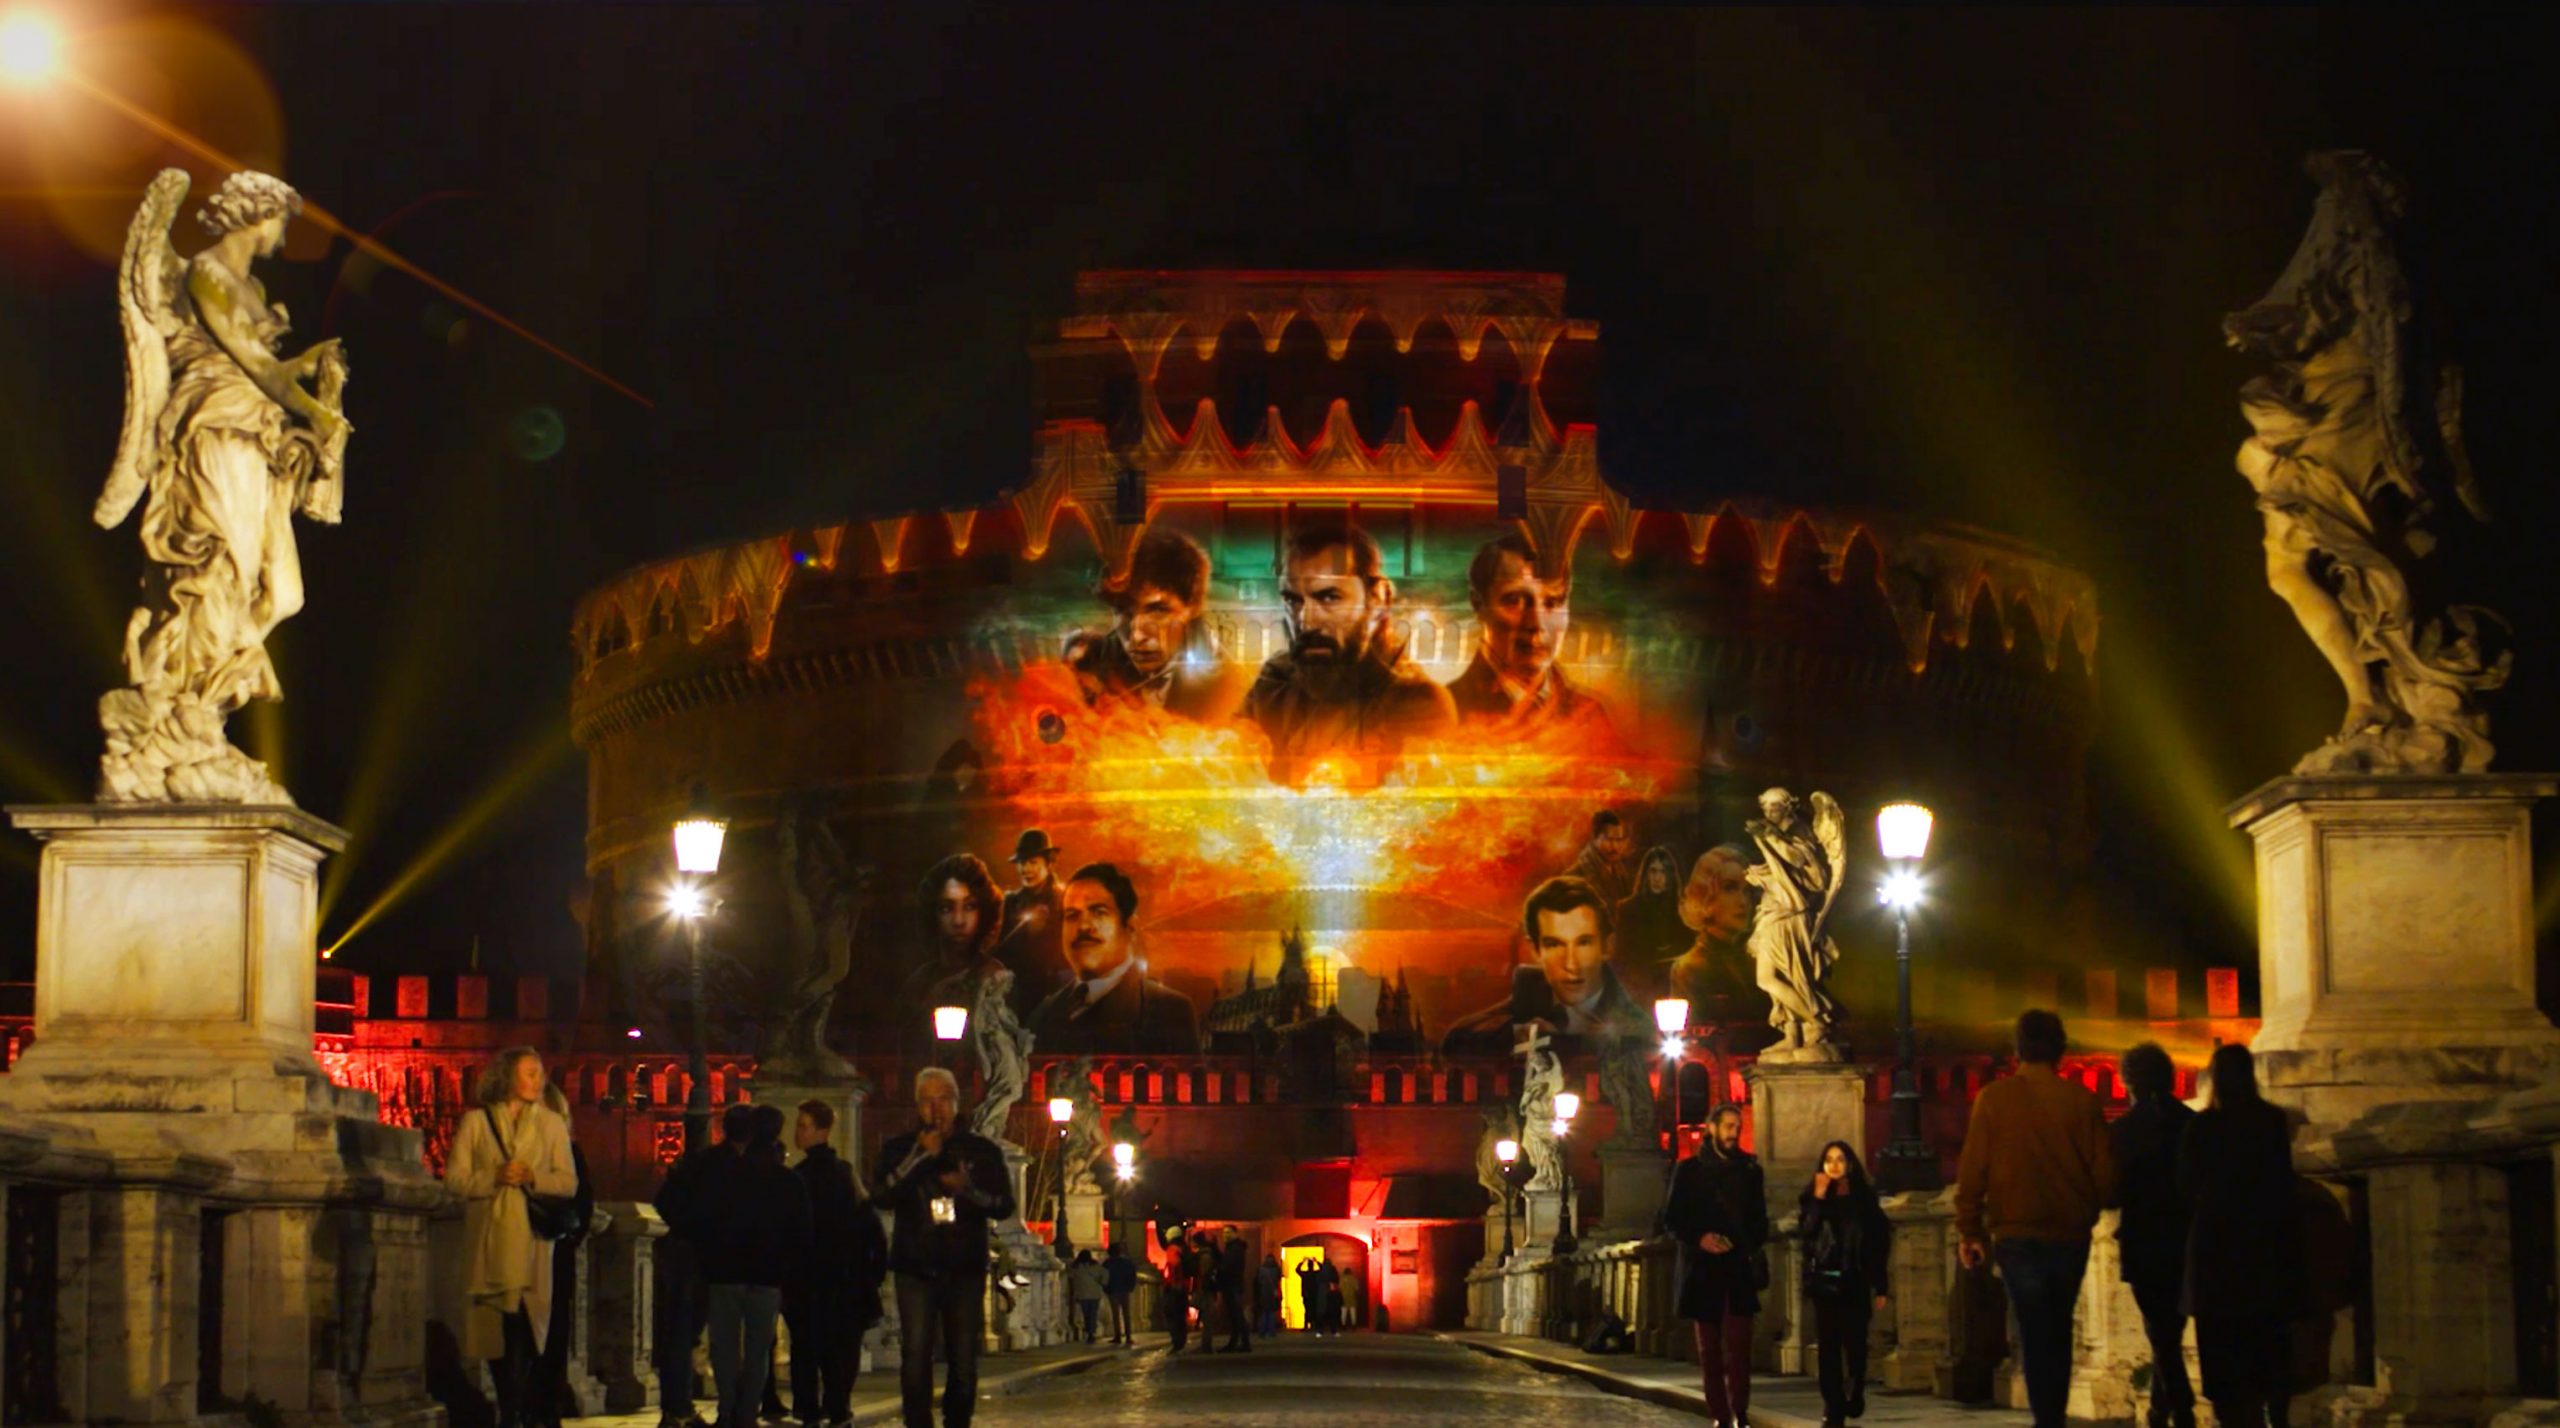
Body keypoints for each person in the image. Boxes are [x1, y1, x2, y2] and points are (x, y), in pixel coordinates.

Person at [1954, 1010, 2115, 1428]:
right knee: (2059, 1328)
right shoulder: (2082, 1102)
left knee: (2033, 1328)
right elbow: (2106, 1176)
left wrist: (1970, 1229)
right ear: (2061, 1049)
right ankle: (2052, 1417)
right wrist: (2086, 1207)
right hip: (2069, 1234)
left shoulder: (1994, 1100)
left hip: (2016, 1233)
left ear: (2018, 1048)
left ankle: (2045, 1418)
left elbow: (1972, 1172)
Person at [1243, 517, 1456, 785]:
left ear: (1377, 600)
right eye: (1293, 600)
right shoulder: (1273, 685)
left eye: (1329, 598)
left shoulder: (1417, 703)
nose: (1305, 622)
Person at [873, 1068, 1015, 1428]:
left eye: (943, 1099)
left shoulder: (981, 1151)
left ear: (956, 1102)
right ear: (917, 1105)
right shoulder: (898, 1148)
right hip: (915, 1266)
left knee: (963, 1358)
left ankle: (957, 1421)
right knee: (916, 1355)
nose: (936, 1108)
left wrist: (967, 1189)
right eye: (927, 1100)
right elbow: (883, 1196)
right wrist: (919, 1157)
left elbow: (1003, 1205)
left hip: (964, 1266)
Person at [443, 1048, 578, 1428]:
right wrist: (495, 1177)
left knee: (526, 1325)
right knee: (496, 1330)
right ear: (507, 1078)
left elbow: (568, 1183)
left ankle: (516, 1412)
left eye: (540, 1074)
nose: (538, 1081)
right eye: (530, 1074)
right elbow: (455, 1180)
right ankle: (510, 1409)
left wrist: (533, 1177)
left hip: (533, 1242)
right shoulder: (475, 1122)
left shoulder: (551, 1124)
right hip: (490, 1241)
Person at [2181, 1044, 2300, 1428]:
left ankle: (2233, 1419)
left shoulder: (2202, 1125)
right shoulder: (2271, 1121)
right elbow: (2282, 1181)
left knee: (2220, 1346)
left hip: (2217, 1246)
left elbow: (2185, 1184)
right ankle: (2274, 1413)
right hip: (2265, 1244)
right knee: (2267, 1340)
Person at [1062, 529, 1251, 722]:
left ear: (1191, 609)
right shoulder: (1092, 667)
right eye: (1123, 611)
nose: (1136, 636)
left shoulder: (1228, 686)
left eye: (1158, 611)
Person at [1441, 876, 1644, 1054]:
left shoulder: (1630, 1015)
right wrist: (1517, 1033)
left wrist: (1564, 1041)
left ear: (1606, 947)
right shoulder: (1533, 989)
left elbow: (1647, 1045)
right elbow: (1456, 1038)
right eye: (1554, 944)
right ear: (1536, 950)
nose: (1571, 964)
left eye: (1583, 943)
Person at [700, 1105, 811, 1428]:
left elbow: (707, 1220)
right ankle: (747, 1413)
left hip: (725, 1272)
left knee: (724, 1348)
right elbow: (801, 1232)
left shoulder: (725, 1175)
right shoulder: (788, 1181)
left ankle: (727, 1409)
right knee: (759, 1350)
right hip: (767, 1276)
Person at [1659, 1103, 1767, 1428]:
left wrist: (1745, 1243)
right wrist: (1701, 1238)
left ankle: (1741, 1412)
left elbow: (1760, 1221)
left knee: (1740, 1347)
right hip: (1702, 1270)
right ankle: (1719, 1415)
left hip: (1737, 1269)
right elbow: (1672, 1219)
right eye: (1729, 1126)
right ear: (1713, 1129)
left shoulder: (1750, 1171)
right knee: (1710, 1352)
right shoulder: (1688, 1170)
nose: (1734, 1133)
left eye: (1737, 1126)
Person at [1442, 532, 1611, 736]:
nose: (1536, 624)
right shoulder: (1443, 713)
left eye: (1552, 603)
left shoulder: (1590, 716)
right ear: (1479, 605)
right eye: (1514, 601)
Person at [2109, 1043, 2198, 1428]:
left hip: (2145, 1239)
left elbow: (2112, 1190)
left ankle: (2182, 1405)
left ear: (2129, 1083)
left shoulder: (2125, 1130)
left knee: (2160, 1330)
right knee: (2169, 1328)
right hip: (2187, 1237)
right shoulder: (2192, 1123)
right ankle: (2161, 1409)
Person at [1025, 863, 1199, 1054]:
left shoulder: (1170, 1013)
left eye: (1099, 912)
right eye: (1072, 915)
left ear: (1130, 926)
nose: (1083, 926)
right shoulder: (1042, 1016)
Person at [786, 1101, 886, 1428]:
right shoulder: (846, 1175)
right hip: (845, 1279)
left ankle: (809, 1409)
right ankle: (838, 1406)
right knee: (839, 1349)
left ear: (822, 1131)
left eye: (803, 1126)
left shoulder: (799, 1179)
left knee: (806, 1348)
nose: (797, 1132)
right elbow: (871, 1226)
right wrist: (874, 1272)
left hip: (808, 1279)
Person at [652, 1108, 750, 1428]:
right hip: (708, 1258)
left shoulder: (699, 1162)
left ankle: (675, 1408)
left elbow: (664, 1201)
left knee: (678, 1333)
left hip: (680, 1251)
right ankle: (683, 1409)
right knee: (692, 1333)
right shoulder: (738, 1169)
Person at [1797, 1142, 1892, 1427]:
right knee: (1828, 1347)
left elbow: (1877, 1244)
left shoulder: (1863, 1199)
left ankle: (1855, 1389)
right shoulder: (1812, 1197)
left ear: (1850, 1163)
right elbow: (1806, 1234)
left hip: (1855, 1280)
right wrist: (1818, 1199)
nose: (1834, 1165)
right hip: (1825, 1282)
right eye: (1828, 1159)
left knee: (1855, 1345)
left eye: (1840, 1159)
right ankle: (1833, 1406)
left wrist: (1881, 1284)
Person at [897, 855, 1018, 1042]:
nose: (958, 920)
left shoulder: (994, 978)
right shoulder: (919, 983)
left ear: (984, 911)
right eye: (947, 908)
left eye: (970, 906)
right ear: (932, 914)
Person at [532, 1086, 596, 1428]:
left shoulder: (568, 1153)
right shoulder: (569, 1152)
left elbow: (581, 1208)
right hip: (542, 1253)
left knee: (551, 1333)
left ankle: (543, 1406)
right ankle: (538, 1406)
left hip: (552, 1254)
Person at [993, 830, 1065, 1001]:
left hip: (1055, 990)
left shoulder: (1064, 900)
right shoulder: (1010, 902)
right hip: (1017, 991)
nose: (1025, 869)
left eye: (1033, 862)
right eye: (1022, 863)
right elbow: (1001, 949)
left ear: (1049, 864)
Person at [1568, 810, 1639, 906]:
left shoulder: (1622, 873)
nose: (1614, 846)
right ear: (1595, 838)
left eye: (1618, 840)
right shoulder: (1575, 876)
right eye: (1609, 839)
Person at [1216, 1227, 1252, 1351]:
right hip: (1232, 1284)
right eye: (1224, 1233)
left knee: (1236, 1315)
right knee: (1235, 1315)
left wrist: (1220, 1272)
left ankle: (1243, 1343)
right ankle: (1237, 1342)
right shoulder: (1232, 1248)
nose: (1225, 1235)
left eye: (1228, 1233)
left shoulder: (1235, 1248)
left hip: (1232, 1284)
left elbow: (1229, 1266)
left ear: (1235, 1234)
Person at [1160, 1236, 1194, 1352]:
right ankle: (1181, 1340)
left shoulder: (1172, 1250)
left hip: (1174, 1288)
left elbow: (1174, 1267)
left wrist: (1172, 1284)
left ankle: (1177, 1342)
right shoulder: (1184, 1251)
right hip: (1183, 1288)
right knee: (1180, 1316)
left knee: (1171, 1315)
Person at [1102, 1243, 1138, 1346]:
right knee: (1126, 1314)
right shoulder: (1127, 1263)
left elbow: (1104, 1278)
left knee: (1115, 1314)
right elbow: (1132, 1276)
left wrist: (1106, 1289)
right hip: (1125, 1290)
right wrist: (1130, 1287)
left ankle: (1117, 1336)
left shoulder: (1107, 1264)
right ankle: (1128, 1336)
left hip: (1113, 1290)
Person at [1066, 1251, 1106, 1345]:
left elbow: (1071, 1276)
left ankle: (1089, 1331)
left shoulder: (1076, 1267)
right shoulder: (1095, 1266)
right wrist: (1102, 1283)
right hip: (1095, 1293)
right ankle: (1091, 1332)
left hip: (1082, 1294)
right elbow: (1105, 1274)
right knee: (1093, 1314)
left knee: (1086, 1314)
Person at [1253, 1252, 1282, 1339]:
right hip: (1272, 1292)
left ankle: (1262, 1332)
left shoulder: (1261, 1269)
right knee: (1271, 1313)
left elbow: (1257, 1282)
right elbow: (1278, 1279)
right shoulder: (1276, 1269)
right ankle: (1271, 1332)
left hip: (1263, 1292)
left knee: (1264, 1313)